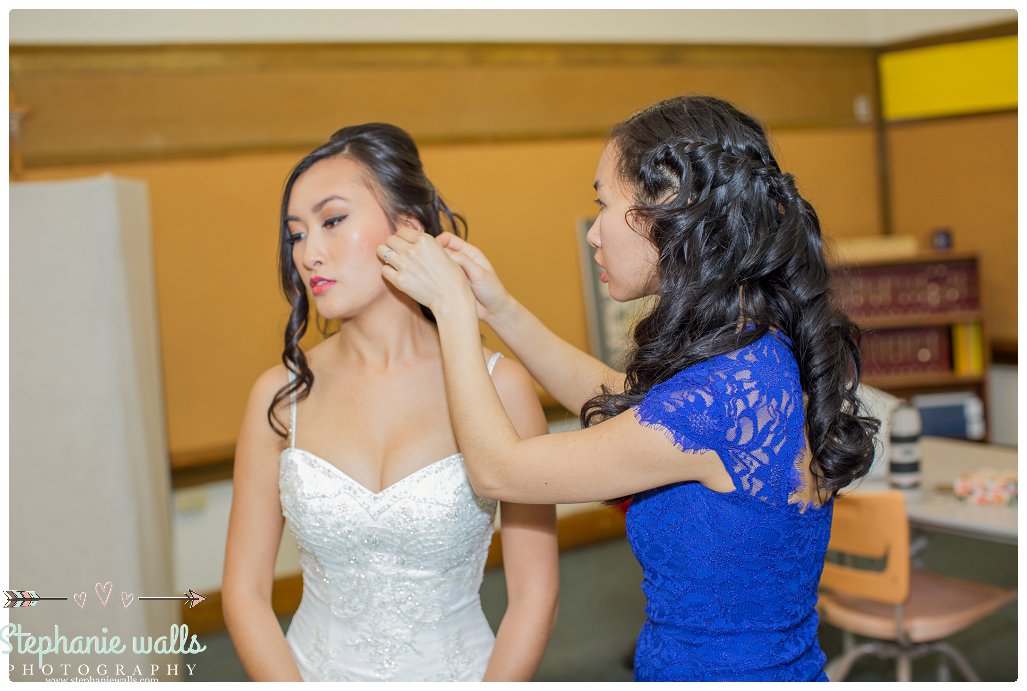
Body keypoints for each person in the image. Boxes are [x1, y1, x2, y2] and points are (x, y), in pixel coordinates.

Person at [377, 95, 879, 681]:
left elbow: (499, 470)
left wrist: (453, 314)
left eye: (603, 204)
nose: (593, 234)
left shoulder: (714, 404)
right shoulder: (755, 360)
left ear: (667, 209)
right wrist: (502, 310)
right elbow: (627, 400)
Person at [222, 123, 559, 682]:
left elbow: (534, 594)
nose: (310, 253)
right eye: (296, 235)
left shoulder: (502, 388)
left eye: (332, 221)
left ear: (407, 228)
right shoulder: (282, 395)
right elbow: (245, 591)